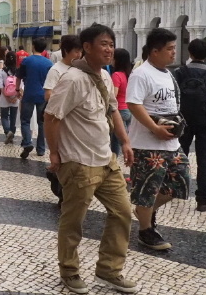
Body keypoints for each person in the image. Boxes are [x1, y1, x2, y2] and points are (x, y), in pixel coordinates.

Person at [44, 24, 137, 295]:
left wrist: (126, 141)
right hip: (79, 162)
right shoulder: (73, 79)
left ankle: (109, 270)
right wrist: (54, 152)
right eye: (103, 44)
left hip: (105, 160)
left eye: (111, 44)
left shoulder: (105, 77)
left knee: (122, 213)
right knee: (74, 221)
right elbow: (51, 116)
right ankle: (69, 271)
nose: (109, 49)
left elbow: (112, 111)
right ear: (86, 47)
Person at [127, 28, 190, 251]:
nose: (174, 53)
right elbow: (133, 104)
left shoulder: (167, 73)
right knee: (146, 189)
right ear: (155, 51)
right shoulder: (141, 73)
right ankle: (146, 231)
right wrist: (154, 127)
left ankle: (146, 211)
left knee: (179, 182)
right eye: (170, 49)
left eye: (174, 48)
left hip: (171, 142)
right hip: (147, 144)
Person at [173, 38, 206, 212]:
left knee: (180, 157)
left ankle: (176, 191)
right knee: (203, 161)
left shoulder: (180, 72)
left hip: (183, 122)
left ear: (190, 53)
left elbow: (174, 97)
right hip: (205, 123)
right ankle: (202, 200)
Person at [42, 35, 83, 206]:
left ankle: (69, 192)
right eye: (76, 51)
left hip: (77, 123)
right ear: (66, 51)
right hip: (60, 121)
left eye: (81, 51)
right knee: (62, 158)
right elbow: (48, 94)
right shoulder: (56, 70)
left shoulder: (81, 69)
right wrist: (67, 98)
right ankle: (62, 192)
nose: (79, 55)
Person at [16, 37, 52, 158]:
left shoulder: (26, 61)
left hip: (29, 93)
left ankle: (27, 142)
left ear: (33, 47)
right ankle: (41, 149)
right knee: (41, 122)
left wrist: (17, 89)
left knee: (25, 120)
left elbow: (19, 77)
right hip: (43, 95)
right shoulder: (48, 63)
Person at [110, 48, 133, 157]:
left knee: (123, 141)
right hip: (128, 109)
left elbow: (113, 94)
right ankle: (113, 159)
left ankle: (133, 159)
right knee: (115, 139)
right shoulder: (128, 74)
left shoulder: (117, 75)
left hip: (119, 111)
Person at [0, 51, 19, 144]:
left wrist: (7, 97)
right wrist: (15, 96)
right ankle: (12, 133)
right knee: (13, 117)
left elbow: (0, 86)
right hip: (15, 97)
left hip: (4, 98)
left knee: (4, 116)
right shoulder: (18, 71)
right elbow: (21, 85)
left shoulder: (2, 71)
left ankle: (7, 132)